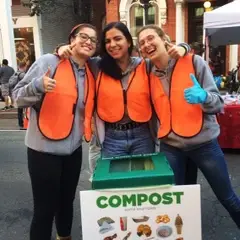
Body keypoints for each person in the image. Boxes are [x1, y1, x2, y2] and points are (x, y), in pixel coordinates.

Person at [137, 24, 240, 228]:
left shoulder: (194, 61)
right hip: (171, 146)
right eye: (141, 43)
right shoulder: (146, 69)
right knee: (176, 202)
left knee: (227, 197)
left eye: (150, 38)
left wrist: (203, 97)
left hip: (204, 144)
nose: (146, 44)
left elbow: (218, 104)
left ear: (164, 39)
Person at [57, 22, 190, 168]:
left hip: (143, 136)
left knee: (142, 183)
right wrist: (61, 48)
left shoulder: (145, 66)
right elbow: (76, 57)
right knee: (114, 186)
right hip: (112, 138)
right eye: (107, 41)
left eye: (117, 39)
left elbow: (168, 59)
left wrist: (184, 47)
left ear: (128, 41)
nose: (112, 44)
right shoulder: (96, 66)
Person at [12, 23, 97, 240]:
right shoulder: (48, 62)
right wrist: (37, 85)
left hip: (73, 150)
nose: (88, 42)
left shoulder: (90, 70)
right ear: (72, 39)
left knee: (66, 202)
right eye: (83, 37)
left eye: (93, 40)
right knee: (45, 208)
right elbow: (17, 97)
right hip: (43, 150)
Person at [9, 62, 28, 130]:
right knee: (26, 109)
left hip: (16, 94)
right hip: (22, 94)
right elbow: (28, 82)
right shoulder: (22, 74)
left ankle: (21, 124)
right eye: (26, 67)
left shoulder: (15, 73)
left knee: (19, 110)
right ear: (24, 66)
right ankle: (25, 124)